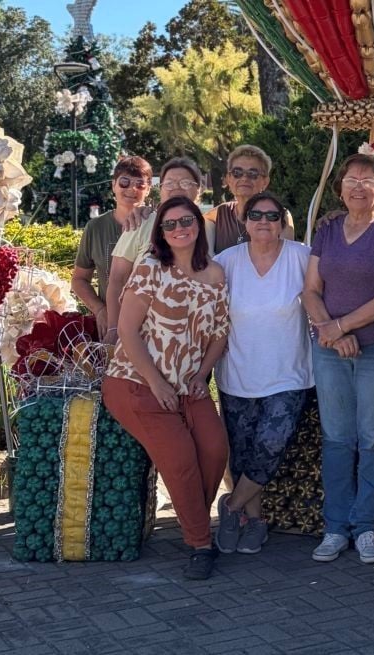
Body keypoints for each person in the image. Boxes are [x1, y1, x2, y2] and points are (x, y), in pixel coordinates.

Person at [102, 195, 231, 581]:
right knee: (180, 462)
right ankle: (200, 544)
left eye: (186, 221)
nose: (179, 229)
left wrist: (201, 375)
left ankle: (191, 519)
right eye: (170, 224)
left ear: (198, 224)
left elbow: (220, 334)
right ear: (160, 231)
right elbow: (126, 330)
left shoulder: (216, 274)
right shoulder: (151, 267)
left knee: (215, 449)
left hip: (188, 386)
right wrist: (157, 382)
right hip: (136, 382)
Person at [302, 152, 374, 564]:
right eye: (351, 178)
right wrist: (331, 330)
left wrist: (342, 326)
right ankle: (335, 528)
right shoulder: (327, 230)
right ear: (341, 185)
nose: (358, 185)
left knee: (373, 438)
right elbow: (310, 290)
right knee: (336, 439)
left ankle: (366, 527)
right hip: (330, 349)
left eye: (368, 178)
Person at [212, 192, 313, 556]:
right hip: (237, 374)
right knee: (241, 456)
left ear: (283, 221)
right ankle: (255, 523)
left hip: (288, 374)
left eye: (272, 215)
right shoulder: (225, 262)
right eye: (256, 215)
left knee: (271, 443)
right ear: (245, 222)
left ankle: (231, 507)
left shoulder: (302, 256)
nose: (264, 222)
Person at [105, 157, 208, 342]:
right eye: (169, 183)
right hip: (141, 337)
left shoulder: (210, 227)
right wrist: (114, 328)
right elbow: (117, 279)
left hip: (193, 340)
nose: (177, 188)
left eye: (185, 182)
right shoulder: (140, 223)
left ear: (198, 190)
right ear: (160, 189)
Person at [72, 156, 153, 337]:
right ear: (114, 185)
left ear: (148, 189)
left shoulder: (157, 224)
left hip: (151, 325)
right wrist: (100, 309)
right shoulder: (96, 227)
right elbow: (79, 279)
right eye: (124, 182)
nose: (132, 189)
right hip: (111, 326)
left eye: (140, 184)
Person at [209, 144, 295, 253]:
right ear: (229, 179)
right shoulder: (218, 214)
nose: (244, 178)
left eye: (252, 173)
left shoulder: (279, 216)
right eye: (237, 173)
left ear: (265, 181)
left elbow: (284, 258)